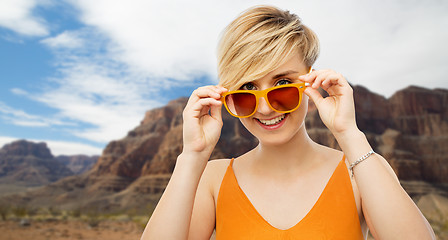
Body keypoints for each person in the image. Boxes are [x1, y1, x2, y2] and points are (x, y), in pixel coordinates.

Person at [141, 5, 435, 240]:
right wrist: (192, 155)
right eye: (247, 89)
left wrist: (348, 133)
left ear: (311, 79)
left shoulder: (361, 169)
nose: (266, 107)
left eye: (282, 82)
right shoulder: (212, 180)